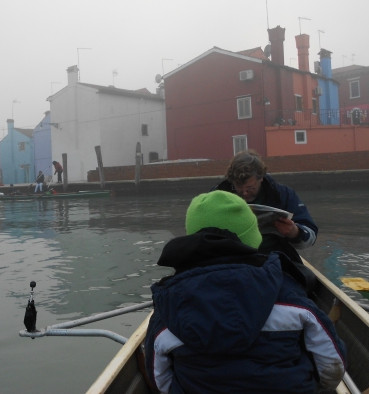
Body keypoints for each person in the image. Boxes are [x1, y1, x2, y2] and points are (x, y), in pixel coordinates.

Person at [145, 191, 347, 394]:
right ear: (252, 238)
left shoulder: (168, 305)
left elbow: (160, 379)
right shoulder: (288, 293)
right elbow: (331, 363)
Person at [212, 149, 317, 267]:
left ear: (261, 177)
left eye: (250, 188)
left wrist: (295, 232)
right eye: (239, 188)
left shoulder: (283, 194)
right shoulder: (216, 197)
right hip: (232, 260)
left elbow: (311, 236)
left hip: (275, 259)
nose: (245, 193)